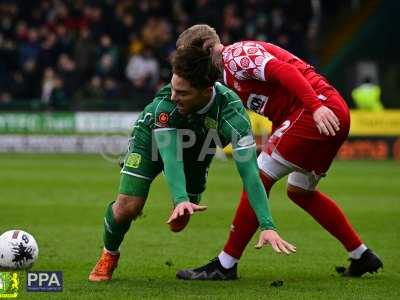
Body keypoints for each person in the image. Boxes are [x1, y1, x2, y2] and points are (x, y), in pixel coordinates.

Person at [174, 24, 383, 279]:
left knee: (258, 175)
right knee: (300, 192)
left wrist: (315, 107)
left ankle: (225, 265)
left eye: (190, 59)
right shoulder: (226, 76)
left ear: (205, 50)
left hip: (316, 112)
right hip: (322, 112)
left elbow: (286, 71)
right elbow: (277, 104)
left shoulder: (236, 55)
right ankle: (361, 255)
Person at [88, 46, 296, 282]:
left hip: (201, 146)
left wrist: (267, 224)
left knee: (183, 214)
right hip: (151, 138)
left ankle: (186, 202)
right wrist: (179, 198)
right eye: (173, 88)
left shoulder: (233, 117)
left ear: (207, 91)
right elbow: (170, 155)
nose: (173, 96)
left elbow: (250, 174)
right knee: (128, 207)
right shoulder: (166, 105)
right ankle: (109, 254)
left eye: (183, 93)